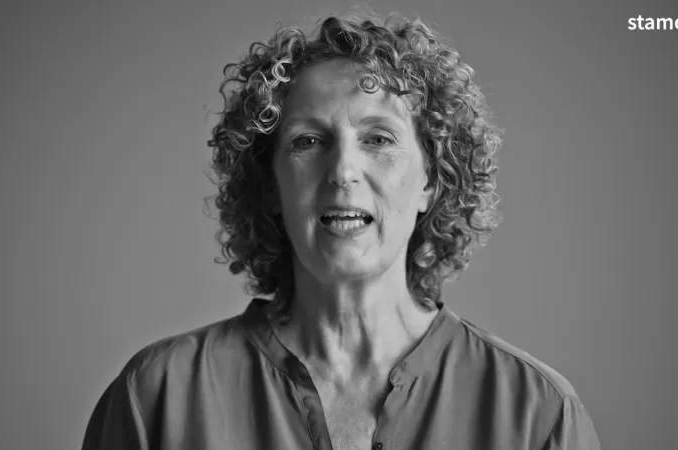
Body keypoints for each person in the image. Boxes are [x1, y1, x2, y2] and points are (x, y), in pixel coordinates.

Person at [82, 10, 601, 450]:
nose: (343, 170)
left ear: (430, 181)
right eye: (308, 142)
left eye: (378, 139)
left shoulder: (538, 413)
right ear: (270, 185)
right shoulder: (158, 396)